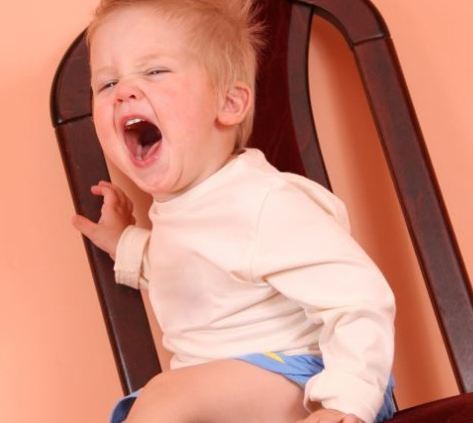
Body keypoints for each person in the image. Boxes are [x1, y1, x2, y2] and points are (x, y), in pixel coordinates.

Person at [72, 0, 397, 422]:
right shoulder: (181, 209)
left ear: (228, 103)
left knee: (165, 399)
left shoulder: (263, 201)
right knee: (159, 401)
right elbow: (194, 271)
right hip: (236, 392)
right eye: (107, 83)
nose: (124, 91)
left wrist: (344, 403)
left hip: (311, 380)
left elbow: (359, 298)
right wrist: (125, 244)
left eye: (154, 71)